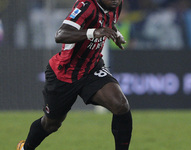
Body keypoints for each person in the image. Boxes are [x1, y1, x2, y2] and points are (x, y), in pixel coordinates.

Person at [17, 0, 132, 150]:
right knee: (51, 124)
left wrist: (116, 33)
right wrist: (94, 32)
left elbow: (107, 21)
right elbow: (60, 34)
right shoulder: (86, 6)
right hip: (65, 73)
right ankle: (25, 148)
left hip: (92, 68)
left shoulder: (115, 5)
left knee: (121, 105)